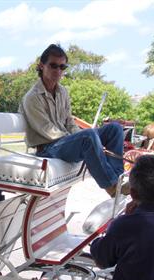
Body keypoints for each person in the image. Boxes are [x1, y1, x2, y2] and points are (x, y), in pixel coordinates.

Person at [19, 44, 126, 196]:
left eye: (62, 67)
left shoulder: (62, 92)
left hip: (64, 143)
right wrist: (80, 139)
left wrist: (87, 138)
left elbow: (69, 121)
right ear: (41, 66)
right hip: (48, 148)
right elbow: (47, 130)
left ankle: (118, 179)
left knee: (114, 129)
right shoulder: (32, 97)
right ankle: (111, 186)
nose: (58, 71)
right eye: (53, 65)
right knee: (88, 136)